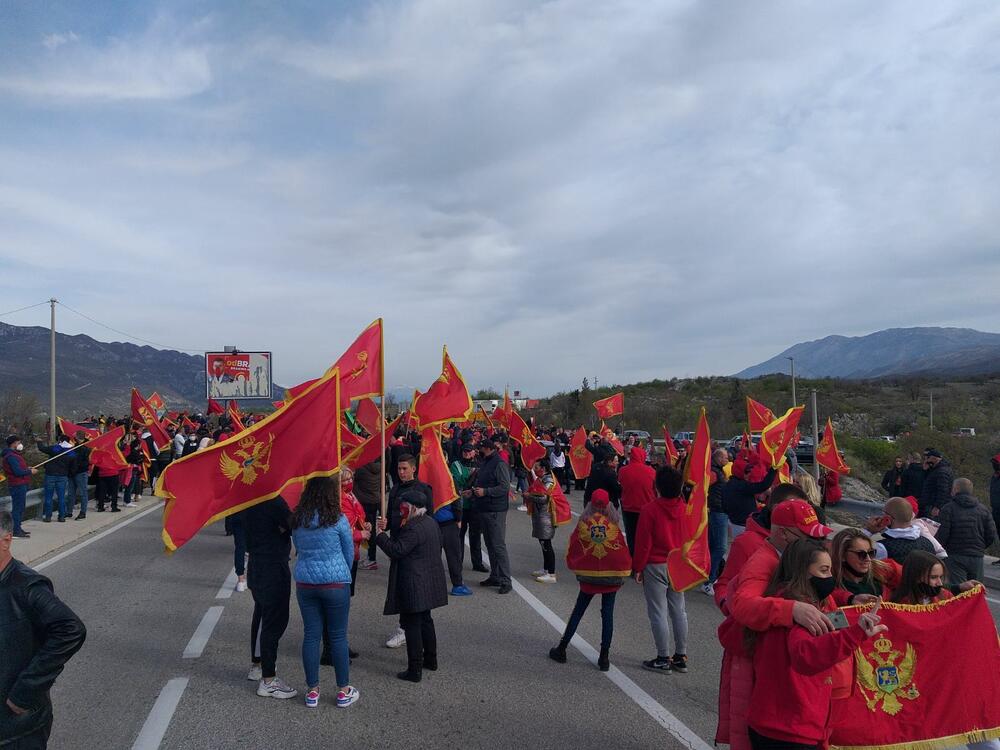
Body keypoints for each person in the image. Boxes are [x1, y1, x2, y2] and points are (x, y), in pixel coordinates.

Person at [746, 539, 886, 750]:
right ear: (803, 572)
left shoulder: (780, 602)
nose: (830, 578)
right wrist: (856, 634)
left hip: (775, 721)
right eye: (824, 570)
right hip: (791, 728)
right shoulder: (803, 614)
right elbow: (806, 655)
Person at [0, 509, 87, 747]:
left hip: (15, 729)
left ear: (6, 540)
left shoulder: (27, 586)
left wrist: (26, 690)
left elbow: (71, 630)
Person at [290, 476, 359, 709]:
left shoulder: (298, 520)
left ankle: (312, 690)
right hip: (335, 582)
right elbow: (349, 552)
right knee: (338, 636)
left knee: (311, 635)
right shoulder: (338, 520)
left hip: (306, 582)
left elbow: (298, 548)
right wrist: (341, 572)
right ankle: (343, 690)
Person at [548, 489, 631, 672]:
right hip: (611, 577)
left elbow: (574, 545)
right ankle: (604, 657)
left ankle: (562, 648)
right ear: (609, 504)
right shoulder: (614, 524)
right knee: (607, 614)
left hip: (589, 576)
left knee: (579, 610)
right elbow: (622, 550)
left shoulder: (584, 523)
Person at [375, 489, 449, 683]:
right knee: (426, 621)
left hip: (415, 583)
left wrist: (381, 535)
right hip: (429, 580)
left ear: (413, 508)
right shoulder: (431, 522)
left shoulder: (413, 528)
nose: (401, 511)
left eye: (404, 507)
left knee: (413, 625)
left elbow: (397, 550)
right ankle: (431, 659)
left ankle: (414, 669)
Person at [632, 466, 690, 674]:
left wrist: (638, 567)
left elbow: (643, 543)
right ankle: (681, 655)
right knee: (679, 609)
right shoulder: (686, 509)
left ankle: (663, 656)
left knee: (658, 611)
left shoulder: (650, 510)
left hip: (656, 563)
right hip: (679, 562)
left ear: (656, 486)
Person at [243, 496, 296, 699]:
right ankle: (269, 679)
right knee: (274, 622)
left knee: (263, 615)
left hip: (257, 564)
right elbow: (293, 523)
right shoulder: (272, 499)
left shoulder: (248, 499)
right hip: (272, 566)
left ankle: (260, 665)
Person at [383, 454, 434, 649]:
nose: (401, 472)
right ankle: (405, 627)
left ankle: (409, 630)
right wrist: (385, 525)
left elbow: (428, 520)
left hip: (415, 548)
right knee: (401, 591)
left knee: (416, 594)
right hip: (398, 545)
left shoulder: (423, 490)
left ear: (414, 469)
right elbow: (391, 515)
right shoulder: (395, 488)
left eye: (405, 469)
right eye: (399, 469)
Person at [936, 478, 997, 585]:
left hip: (955, 555)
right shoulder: (983, 510)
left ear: (956, 489)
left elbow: (942, 534)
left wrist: (942, 550)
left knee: (958, 592)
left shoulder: (948, 509)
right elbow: (991, 534)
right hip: (976, 556)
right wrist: (980, 547)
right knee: (975, 592)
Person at [473, 438, 513, 595]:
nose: (478, 451)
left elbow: (504, 487)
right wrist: (475, 491)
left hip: (496, 510)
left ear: (488, 449)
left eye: (481, 448)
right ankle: (495, 575)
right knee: (489, 544)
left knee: (498, 546)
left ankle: (505, 580)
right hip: (485, 508)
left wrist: (486, 492)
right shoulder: (486, 462)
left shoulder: (499, 463)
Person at [525, 458, 570, 583]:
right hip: (540, 515)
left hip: (547, 516)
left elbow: (544, 498)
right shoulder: (542, 479)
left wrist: (529, 496)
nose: (535, 469)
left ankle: (551, 573)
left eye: (537, 467)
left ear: (543, 469)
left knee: (546, 544)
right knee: (543, 543)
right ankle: (545, 569)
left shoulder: (548, 480)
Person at [431, 451, 470, 597]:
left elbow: (456, 499)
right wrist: (459, 518)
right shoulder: (446, 478)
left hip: (440, 522)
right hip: (444, 522)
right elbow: (457, 499)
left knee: (442, 556)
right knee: (450, 556)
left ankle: (446, 585)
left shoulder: (432, 478)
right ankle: (456, 584)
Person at [863, 496, 942, 563]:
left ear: (888, 519)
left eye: (883, 514)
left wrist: (868, 531)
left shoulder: (882, 548)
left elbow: (858, 557)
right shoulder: (928, 543)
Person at [829, 528, 896, 600]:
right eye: (861, 554)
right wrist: (850, 599)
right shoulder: (829, 581)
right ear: (842, 555)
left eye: (871, 553)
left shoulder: (883, 569)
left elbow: (908, 576)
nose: (868, 559)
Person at [451, 443, 485, 573]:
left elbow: (482, 481)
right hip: (460, 505)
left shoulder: (479, 464)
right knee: (459, 535)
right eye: (464, 451)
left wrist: (474, 476)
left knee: (475, 535)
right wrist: (473, 475)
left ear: (473, 452)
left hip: (475, 505)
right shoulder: (456, 464)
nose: (466, 453)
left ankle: (477, 563)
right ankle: (457, 562)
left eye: (469, 451)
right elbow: (459, 480)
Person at [722, 460, 777, 538]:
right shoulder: (741, 486)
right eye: (746, 472)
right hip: (743, 526)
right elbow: (763, 485)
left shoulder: (728, 485)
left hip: (734, 523)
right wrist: (774, 469)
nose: (749, 474)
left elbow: (724, 506)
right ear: (740, 472)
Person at [618, 445, 656, 557]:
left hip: (628, 507)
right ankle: (643, 559)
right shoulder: (651, 471)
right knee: (645, 537)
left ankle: (632, 559)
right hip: (646, 508)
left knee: (631, 536)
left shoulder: (623, 471)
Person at [2, 436, 37, 538]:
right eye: (18, 442)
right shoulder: (11, 456)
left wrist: (27, 468)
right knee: (18, 509)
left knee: (20, 508)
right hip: (17, 485)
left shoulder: (14, 455)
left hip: (21, 484)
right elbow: (17, 472)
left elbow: (19, 468)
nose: (20, 444)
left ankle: (18, 528)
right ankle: (15, 531)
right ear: (13, 444)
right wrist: (30, 471)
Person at [36, 434, 75, 523]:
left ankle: (48, 516)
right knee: (61, 497)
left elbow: (42, 449)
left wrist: (39, 442)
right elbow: (73, 466)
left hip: (50, 475)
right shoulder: (71, 452)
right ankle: (61, 517)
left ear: (60, 440)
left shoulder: (55, 448)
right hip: (63, 476)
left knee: (48, 497)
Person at [706, 448, 730, 595]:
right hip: (717, 512)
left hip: (719, 511)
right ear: (718, 458)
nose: (728, 459)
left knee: (714, 546)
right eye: (725, 457)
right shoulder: (714, 473)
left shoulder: (718, 471)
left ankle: (709, 576)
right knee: (720, 548)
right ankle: (710, 579)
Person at [354, 457, 383, 571]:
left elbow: (354, 479)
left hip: (364, 502)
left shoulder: (361, 469)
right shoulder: (379, 467)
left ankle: (371, 558)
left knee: (364, 529)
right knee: (372, 529)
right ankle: (371, 557)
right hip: (374, 500)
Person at [919, 449, 953, 518]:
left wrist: (937, 507)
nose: (926, 461)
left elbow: (943, 491)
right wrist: (925, 471)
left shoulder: (941, 472)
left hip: (933, 505)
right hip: (931, 503)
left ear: (934, 458)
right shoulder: (936, 470)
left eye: (928, 458)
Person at [67, 432, 91, 520]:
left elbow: (84, 461)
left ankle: (83, 512)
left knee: (83, 493)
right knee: (71, 494)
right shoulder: (73, 447)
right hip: (71, 474)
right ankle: (69, 512)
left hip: (81, 473)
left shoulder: (86, 448)